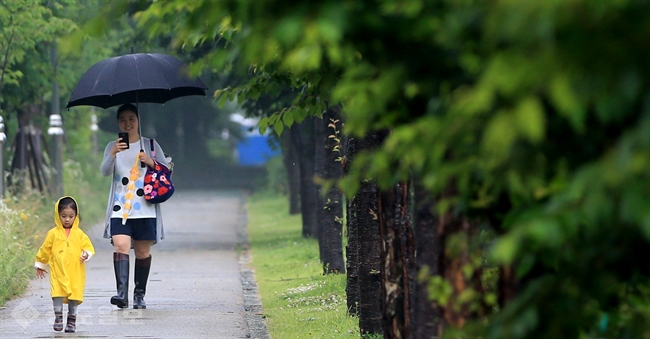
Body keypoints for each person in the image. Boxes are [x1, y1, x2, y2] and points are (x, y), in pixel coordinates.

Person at [101, 103, 169, 309]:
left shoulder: (150, 145)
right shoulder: (112, 146)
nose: (127, 123)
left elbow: (165, 170)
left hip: (145, 208)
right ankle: (122, 294)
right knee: (121, 246)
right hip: (120, 208)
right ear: (118, 123)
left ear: (138, 120)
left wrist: (150, 161)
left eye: (131, 118)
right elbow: (105, 171)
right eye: (122, 119)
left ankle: (139, 295)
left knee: (142, 253)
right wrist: (112, 154)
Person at [35, 196, 95, 333]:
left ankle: (72, 320)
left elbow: (89, 247)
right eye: (63, 216)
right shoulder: (53, 234)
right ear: (57, 215)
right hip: (58, 270)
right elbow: (45, 249)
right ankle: (58, 317)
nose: (67, 219)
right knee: (57, 293)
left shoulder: (80, 234)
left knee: (74, 295)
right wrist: (41, 263)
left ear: (76, 216)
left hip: (75, 271)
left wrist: (86, 254)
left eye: (71, 216)